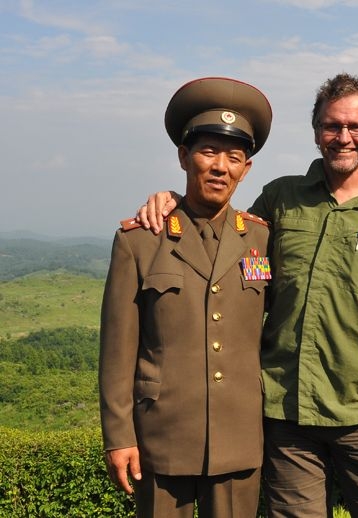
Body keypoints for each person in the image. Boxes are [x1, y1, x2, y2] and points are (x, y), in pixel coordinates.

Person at [137, 73, 358, 517]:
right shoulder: (281, 200)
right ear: (316, 130)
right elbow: (228, 247)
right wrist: (175, 200)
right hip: (287, 417)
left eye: (356, 127)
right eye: (332, 126)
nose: (343, 137)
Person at [99, 77, 273, 518]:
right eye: (208, 151)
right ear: (183, 156)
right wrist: (119, 435)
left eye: (234, 157)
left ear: (246, 169)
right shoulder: (140, 240)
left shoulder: (260, 239)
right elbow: (117, 349)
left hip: (239, 434)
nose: (220, 167)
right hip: (162, 434)